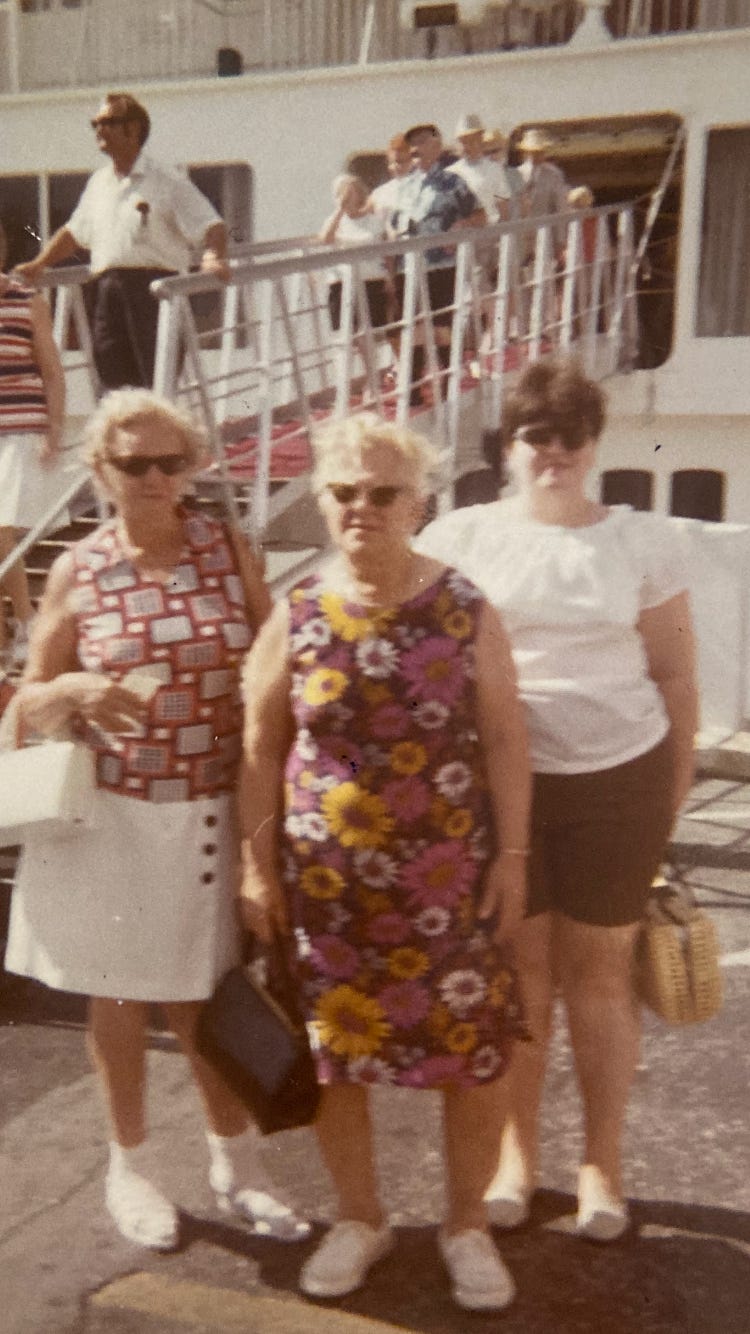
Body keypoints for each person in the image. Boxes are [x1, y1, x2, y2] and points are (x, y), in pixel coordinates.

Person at [3, 389, 310, 1251]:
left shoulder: (228, 550)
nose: (152, 477)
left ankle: (237, 1165)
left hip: (212, 809)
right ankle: (129, 1169)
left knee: (210, 999)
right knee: (123, 997)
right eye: (132, 463)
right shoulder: (81, 568)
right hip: (116, 815)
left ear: (195, 467)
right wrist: (68, 690)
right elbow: (29, 696)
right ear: (101, 471)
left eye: (170, 461)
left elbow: (272, 673)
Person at [239, 413, 531, 1311]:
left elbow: (510, 738)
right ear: (325, 503)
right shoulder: (297, 613)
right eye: (343, 493)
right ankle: (360, 1218)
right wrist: (257, 871)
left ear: (420, 502)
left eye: (382, 492)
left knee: (471, 1057)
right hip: (327, 886)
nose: (361, 508)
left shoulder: (464, 606)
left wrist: (512, 858)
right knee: (337, 1057)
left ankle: (467, 1227)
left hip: (446, 878)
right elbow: (258, 747)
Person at [415, 358, 698, 1242]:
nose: (556, 451)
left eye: (573, 435)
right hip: (507, 788)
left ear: (594, 444)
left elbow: (676, 676)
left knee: (602, 980)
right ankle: (518, 1160)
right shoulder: (461, 536)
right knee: (522, 978)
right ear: (511, 445)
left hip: (622, 778)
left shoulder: (642, 542)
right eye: (538, 434)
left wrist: (671, 799)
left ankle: (601, 1168)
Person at [14, 92, 229, 392]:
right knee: (111, 380)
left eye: (107, 122)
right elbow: (75, 233)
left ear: (134, 129)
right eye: (95, 124)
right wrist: (39, 264)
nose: (98, 130)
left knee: (154, 383)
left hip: (153, 292)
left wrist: (213, 255)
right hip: (106, 293)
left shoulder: (166, 180)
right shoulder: (99, 183)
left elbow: (211, 223)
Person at [0, 218, 66, 668]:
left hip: (20, 428)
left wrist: (55, 430)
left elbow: (52, 372)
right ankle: (19, 622)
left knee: (3, 531)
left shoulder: (27, 302)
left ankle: (25, 619)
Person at [396, 124, 486, 404]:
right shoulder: (405, 185)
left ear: (436, 146)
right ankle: (412, 391)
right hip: (408, 266)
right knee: (413, 327)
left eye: (422, 142)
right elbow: (394, 223)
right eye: (413, 144)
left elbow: (481, 216)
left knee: (441, 326)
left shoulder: (453, 182)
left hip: (441, 265)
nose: (416, 149)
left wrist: (463, 223)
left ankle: (447, 386)